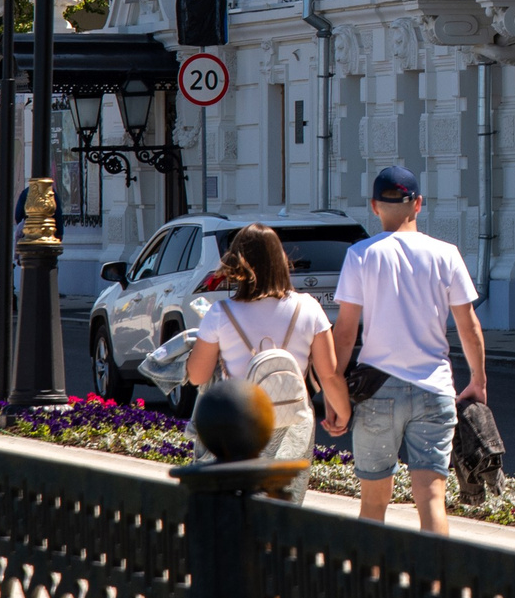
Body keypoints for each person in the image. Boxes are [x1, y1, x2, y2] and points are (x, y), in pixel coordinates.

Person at [331, 166, 485, 534]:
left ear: (374, 207)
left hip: (377, 391)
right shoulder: (446, 254)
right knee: (432, 499)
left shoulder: (360, 255)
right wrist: (478, 380)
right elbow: (468, 325)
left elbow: (345, 333)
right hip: (435, 389)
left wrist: (334, 392)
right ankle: (436, 586)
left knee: (372, 501)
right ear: (417, 204)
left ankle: (369, 585)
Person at [187, 226, 349, 469]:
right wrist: (343, 413)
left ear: (237, 264)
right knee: (286, 499)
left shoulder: (221, 313)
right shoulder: (309, 307)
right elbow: (329, 375)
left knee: (241, 498)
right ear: (282, 260)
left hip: (239, 423)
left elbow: (197, 376)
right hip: (293, 423)